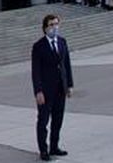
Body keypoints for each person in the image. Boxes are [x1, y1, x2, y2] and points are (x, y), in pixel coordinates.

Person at [31, 14, 73, 161]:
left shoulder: (62, 42)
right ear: (45, 28)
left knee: (58, 119)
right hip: (46, 90)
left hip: (61, 88)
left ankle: (54, 146)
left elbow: (66, 64)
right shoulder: (38, 46)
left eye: (56, 24)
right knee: (43, 120)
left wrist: (69, 85)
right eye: (51, 25)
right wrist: (38, 91)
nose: (54, 27)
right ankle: (43, 149)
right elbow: (35, 71)